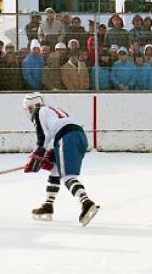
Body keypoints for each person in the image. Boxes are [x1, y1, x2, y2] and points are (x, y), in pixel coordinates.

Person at [22, 93, 99, 226]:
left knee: (67, 176)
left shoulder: (38, 112)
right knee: (55, 170)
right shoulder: (51, 110)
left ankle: (86, 203)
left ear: (30, 107)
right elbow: (55, 131)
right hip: (79, 136)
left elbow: (44, 137)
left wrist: (36, 155)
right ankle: (48, 205)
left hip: (66, 138)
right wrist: (49, 154)